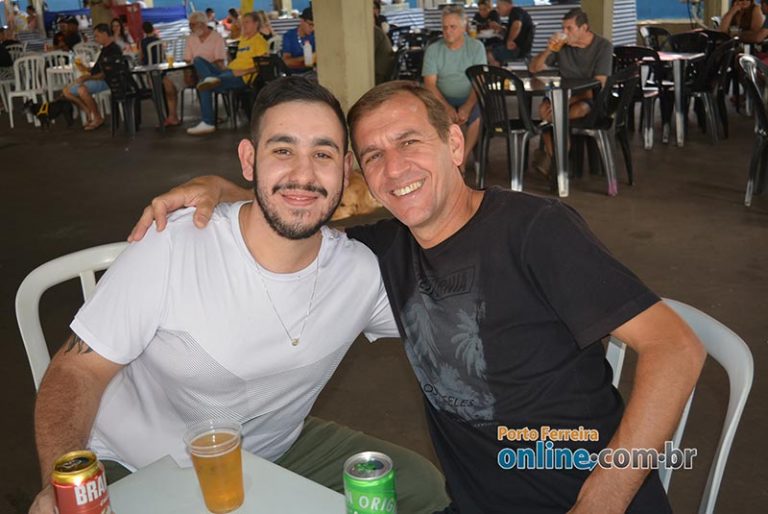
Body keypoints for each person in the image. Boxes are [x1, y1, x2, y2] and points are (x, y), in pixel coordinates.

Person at [129, 77, 706, 513]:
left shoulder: (536, 230)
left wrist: (604, 497)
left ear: (454, 143)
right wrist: (222, 188)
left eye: (409, 142)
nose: (395, 167)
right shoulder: (383, 251)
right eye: (374, 156)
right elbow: (297, 209)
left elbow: (676, 349)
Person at [28, 77, 450, 514]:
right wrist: (57, 483)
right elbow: (76, 370)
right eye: (282, 150)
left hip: (276, 452)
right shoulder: (174, 245)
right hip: (138, 463)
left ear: (345, 169)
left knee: (422, 489)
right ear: (249, 160)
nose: (303, 174)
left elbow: (457, 313)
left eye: (322, 154)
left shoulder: (359, 272)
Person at [529, 8, 613, 176]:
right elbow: (534, 69)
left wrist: (567, 101)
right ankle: (558, 162)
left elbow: (599, 85)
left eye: (569, 28)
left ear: (584, 28)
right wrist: (549, 50)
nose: (565, 32)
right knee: (544, 110)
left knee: (566, 113)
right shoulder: (562, 46)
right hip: (562, 96)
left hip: (590, 100)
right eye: (563, 28)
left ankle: (555, 161)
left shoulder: (603, 46)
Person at [422, 5, 486, 168]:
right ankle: (446, 158)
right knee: (436, 117)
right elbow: (430, 84)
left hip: (469, 96)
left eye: (452, 27)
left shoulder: (476, 47)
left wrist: (467, 107)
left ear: (464, 28)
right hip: (442, 96)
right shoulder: (433, 50)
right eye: (444, 27)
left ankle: (461, 161)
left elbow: (479, 82)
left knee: (477, 116)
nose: (448, 31)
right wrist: (447, 107)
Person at [187, 11, 267, 135]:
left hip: (241, 77)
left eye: (247, 22)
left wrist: (243, 72)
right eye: (243, 23)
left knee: (203, 85)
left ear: (256, 24)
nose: (243, 25)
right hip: (229, 72)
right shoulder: (244, 39)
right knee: (198, 60)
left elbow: (263, 65)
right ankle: (210, 79)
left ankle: (208, 122)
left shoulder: (259, 41)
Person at [161, 10, 227, 128]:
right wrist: (188, 73)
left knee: (203, 77)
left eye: (192, 24)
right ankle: (172, 116)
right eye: (190, 24)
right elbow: (187, 59)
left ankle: (210, 116)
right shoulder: (191, 38)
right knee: (167, 80)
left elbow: (219, 61)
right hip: (192, 70)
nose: (190, 27)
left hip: (211, 71)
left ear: (202, 24)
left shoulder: (216, 37)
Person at [62, 23, 121, 131]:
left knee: (82, 89)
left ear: (104, 34)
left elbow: (105, 74)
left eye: (97, 36)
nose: (96, 39)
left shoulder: (112, 50)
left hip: (109, 80)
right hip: (98, 78)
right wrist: (85, 68)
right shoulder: (104, 50)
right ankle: (88, 111)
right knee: (66, 91)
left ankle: (97, 117)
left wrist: (87, 78)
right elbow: (97, 69)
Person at [488, 0, 534, 65]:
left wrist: (510, 40)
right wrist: (500, 28)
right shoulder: (515, 14)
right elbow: (512, 30)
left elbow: (517, 24)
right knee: (488, 48)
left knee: (489, 54)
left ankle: (497, 69)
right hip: (517, 49)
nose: (497, 10)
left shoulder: (515, 11)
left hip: (517, 50)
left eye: (498, 7)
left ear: (506, 5)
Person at [281, 6, 315, 71]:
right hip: (295, 74)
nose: (313, 28)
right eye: (310, 24)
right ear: (302, 21)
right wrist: (308, 59)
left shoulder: (315, 35)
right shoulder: (289, 36)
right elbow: (287, 62)